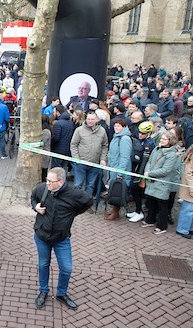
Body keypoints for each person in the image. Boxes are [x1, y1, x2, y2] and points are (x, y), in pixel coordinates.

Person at [32, 167, 93, 310]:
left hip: (61, 239)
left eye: (50, 181)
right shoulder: (42, 189)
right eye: (47, 180)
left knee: (66, 268)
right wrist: (36, 207)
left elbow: (88, 201)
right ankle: (43, 291)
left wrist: (73, 213)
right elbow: (33, 198)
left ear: (61, 182)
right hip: (42, 236)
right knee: (43, 264)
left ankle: (61, 293)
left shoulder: (73, 194)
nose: (47, 183)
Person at [140, 131, 179, 234]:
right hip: (152, 180)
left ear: (170, 141)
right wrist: (147, 172)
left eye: (164, 139)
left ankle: (162, 226)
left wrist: (150, 173)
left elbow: (166, 170)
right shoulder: (156, 149)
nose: (161, 140)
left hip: (162, 183)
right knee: (151, 201)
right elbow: (149, 161)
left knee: (162, 205)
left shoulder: (172, 155)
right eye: (161, 138)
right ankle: (150, 220)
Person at [69, 111, 109, 196]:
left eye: (92, 119)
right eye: (89, 119)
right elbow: (73, 145)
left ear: (97, 120)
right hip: (81, 163)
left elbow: (105, 146)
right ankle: (75, 203)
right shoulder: (79, 130)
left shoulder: (102, 131)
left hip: (95, 164)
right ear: (86, 119)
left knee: (90, 185)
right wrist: (76, 158)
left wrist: (103, 159)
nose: (90, 121)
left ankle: (87, 204)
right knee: (77, 184)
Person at [105, 118, 132, 220]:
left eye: (119, 126)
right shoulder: (116, 137)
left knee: (118, 191)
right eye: (115, 126)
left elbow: (125, 157)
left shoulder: (125, 139)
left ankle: (116, 212)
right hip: (113, 167)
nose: (116, 128)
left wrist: (120, 172)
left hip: (119, 170)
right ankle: (114, 210)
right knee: (114, 190)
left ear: (124, 127)